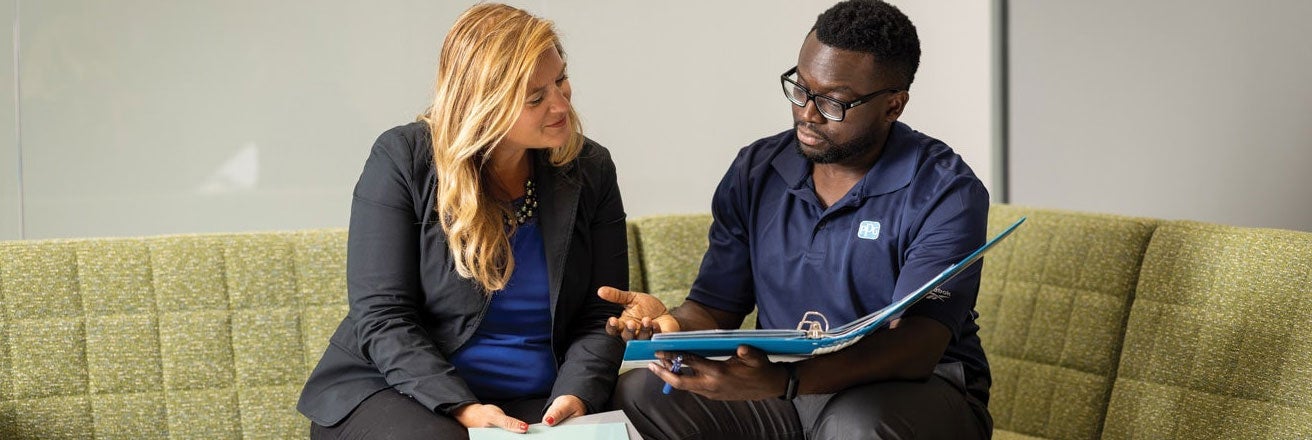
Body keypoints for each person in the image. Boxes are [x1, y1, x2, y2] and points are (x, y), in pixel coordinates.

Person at [601, 1, 992, 438]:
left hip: (906, 392)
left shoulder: (945, 192)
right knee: (641, 392)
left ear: (892, 106)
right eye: (801, 88)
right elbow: (714, 305)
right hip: (782, 390)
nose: (807, 112)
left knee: (855, 426)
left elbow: (916, 346)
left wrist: (786, 381)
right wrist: (669, 327)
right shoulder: (757, 171)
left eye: (833, 102)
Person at [296, 4, 628, 439]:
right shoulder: (402, 159)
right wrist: (463, 407)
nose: (561, 104)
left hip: (536, 398)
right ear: (482, 103)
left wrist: (577, 394)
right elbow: (383, 315)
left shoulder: (590, 168)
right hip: (396, 390)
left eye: (561, 79)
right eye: (535, 98)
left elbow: (601, 311)